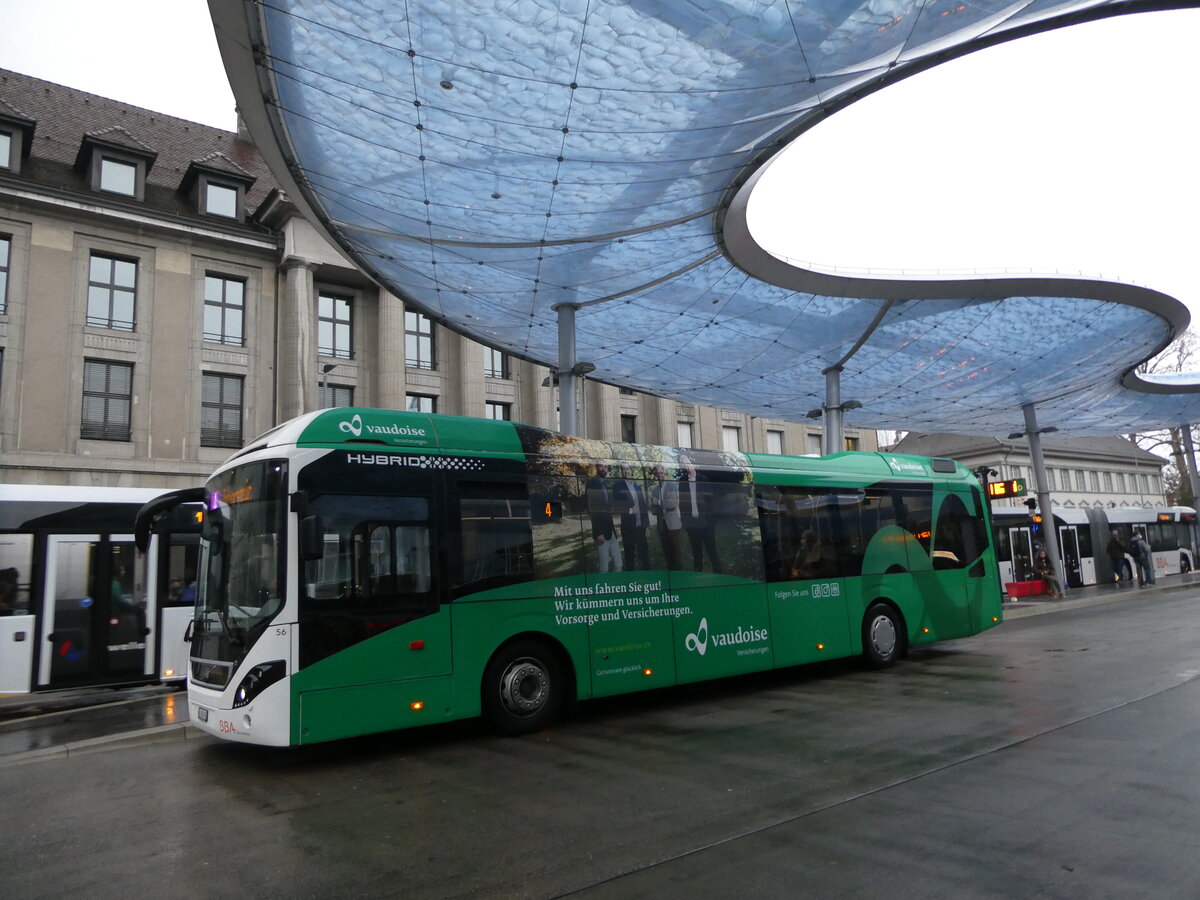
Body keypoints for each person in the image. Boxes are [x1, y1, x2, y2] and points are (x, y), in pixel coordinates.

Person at [679, 451, 723, 574]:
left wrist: (711, 520)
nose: (686, 466)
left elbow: (710, 499)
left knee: (712, 551)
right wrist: (686, 523)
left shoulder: (703, 479)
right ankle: (698, 578)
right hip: (693, 524)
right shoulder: (682, 481)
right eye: (683, 464)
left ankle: (720, 575)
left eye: (687, 463)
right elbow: (682, 504)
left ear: (691, 463)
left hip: (706, 523)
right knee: (696, 554)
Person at [613, 464, 651, 571]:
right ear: (621, 472)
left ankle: (648, 578)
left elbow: (643, 507)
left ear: (631, 470)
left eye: (628, 468)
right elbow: (616, 506)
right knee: (629, 557)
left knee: (645, 556)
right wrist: (630, 510)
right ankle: (631, 579)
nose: (626, 471)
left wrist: (647, 526)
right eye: (623, 469)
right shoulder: (618, 486)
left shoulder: (637, 487)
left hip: (640, 528)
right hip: (628, 528)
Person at [586, 462, 622, 573]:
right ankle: (603, 584)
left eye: (606, 467)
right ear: (597, 467)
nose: (604, 469)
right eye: (601, 466)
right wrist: (598, 532)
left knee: (618, 564)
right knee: (604, 567)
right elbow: (591, 509)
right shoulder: (592, 483)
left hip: (610, 530)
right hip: (601, 531)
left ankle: (615, 583)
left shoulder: (604, 484)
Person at [650, 464, 683, 570]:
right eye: (657, 473)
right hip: (662, 525)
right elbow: (653, 510)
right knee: (667, 553)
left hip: (673, 525)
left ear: (664, 473)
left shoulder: (671, 486)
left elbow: (673, 504)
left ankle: (680, 575)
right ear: (655, 475)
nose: (660, 475)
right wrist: (663, 504)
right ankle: (671, 575)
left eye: (661, 473)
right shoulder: (654, 490)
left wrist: (658, 502)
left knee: (676, 553)